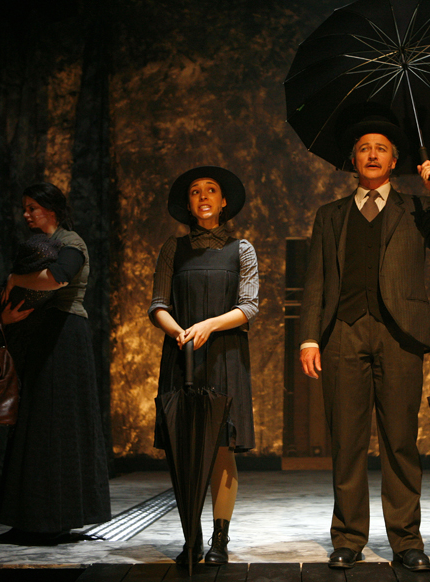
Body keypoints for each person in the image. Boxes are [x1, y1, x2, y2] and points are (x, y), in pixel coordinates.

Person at [298, 112, 430, 571]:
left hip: (400, 334)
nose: (372, 154)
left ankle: (406, 539)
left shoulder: (417, 208)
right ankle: (348, 537)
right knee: (347, 441)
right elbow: (315, 281)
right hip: (343, 332)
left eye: (381, 149)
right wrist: (309, 338)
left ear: (394, 160)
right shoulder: (330, 215)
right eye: (364, 148)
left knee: (400, 441)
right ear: (353, 159)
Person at [149, 166, 258, 566]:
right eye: (195, 191)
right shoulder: (173, 249)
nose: (203, 196)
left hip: (225, 354)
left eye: (211, 190)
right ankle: (190, 537)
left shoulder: (241, 248)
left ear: (223, 201)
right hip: (182, 354)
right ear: (189, 203)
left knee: (222, 444)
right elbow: (158, 305)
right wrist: (179, 332)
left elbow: (249, 305)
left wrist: (209, 325)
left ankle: (220, 539)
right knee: (184, 448)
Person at [0, 182, 111, 545]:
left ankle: (54, 518)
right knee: (34, 425)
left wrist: (16, 278)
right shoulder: (39, 245)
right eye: (25, 207)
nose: (27, 214)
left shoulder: (71, 243)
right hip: (41, 335)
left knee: (57, 425)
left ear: (52, 209)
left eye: (33, 207)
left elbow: (57, 279)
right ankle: (30, 518)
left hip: (64, 336)